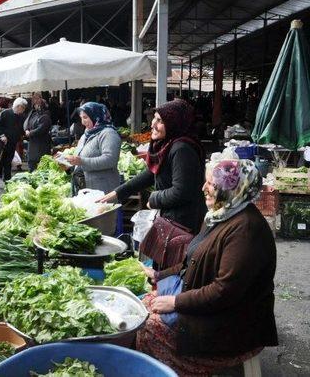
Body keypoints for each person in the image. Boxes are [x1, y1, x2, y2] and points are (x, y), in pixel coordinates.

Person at [136, 158, 278, 375]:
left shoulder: (246, 231)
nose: (203, 188)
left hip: (231, 326)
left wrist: (176, 302)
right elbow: (191, 260)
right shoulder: (221, 214)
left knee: (145, 328)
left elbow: (224, 292)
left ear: (233, 189)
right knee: (142, 306)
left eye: (211, 184)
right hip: (213, 310)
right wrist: (158, 275)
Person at [100, 99, 206, 233]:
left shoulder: (182, 149)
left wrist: (154, 198)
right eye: (154, 119)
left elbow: (181, 191)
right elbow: (151, 173)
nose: (152, 124)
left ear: (174, 123)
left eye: (160, 121)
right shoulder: (168, 144)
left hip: (182, 222)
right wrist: (117, 193)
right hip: (171, 217)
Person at [63, 102, 121, 194]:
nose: (82, 122)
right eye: (81, 118)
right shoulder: (85, 135)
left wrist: (81, 161)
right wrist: (69, 166)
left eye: (85, 117)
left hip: (103, 189)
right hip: (85, 189)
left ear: (96, 116)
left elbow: (110, 160)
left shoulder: (108, 133)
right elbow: (80, 160)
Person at [0, 97, 27, 189]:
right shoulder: (5, 113)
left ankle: (7, 181)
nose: (23, 110)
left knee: (8, 163)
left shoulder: (21, 116)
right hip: (2, 142)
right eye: (23, 108)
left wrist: (25, 133)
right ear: (19, 106)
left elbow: (21, 129)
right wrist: (2, 135)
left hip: (12, 142)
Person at [23, 92, 52, 171]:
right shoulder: (32, 113)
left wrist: (31, 133)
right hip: (32, 143)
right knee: (32, 163)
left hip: (42, 143)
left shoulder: (45, 115)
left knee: (42, 165)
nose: (35, 104)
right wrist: (26, 130)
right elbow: (26, 122)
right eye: (34, 101)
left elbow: (42, 127)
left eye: (36, 100)